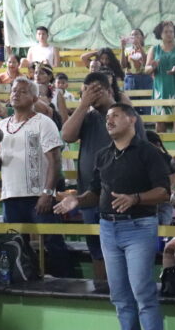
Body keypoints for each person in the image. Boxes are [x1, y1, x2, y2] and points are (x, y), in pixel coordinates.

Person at [55, 104, 169, 330]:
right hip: (108, 227)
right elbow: (95, 191)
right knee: (119, 293)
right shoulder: (103, 155)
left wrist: (136, 198)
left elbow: (164, 191)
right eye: (107, 118)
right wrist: (77, 200)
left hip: (139, 226)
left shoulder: (148, 152)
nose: (109, 120)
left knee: (142, 291)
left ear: (132, 119)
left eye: (115, 115)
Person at [61, 71, 147, 291]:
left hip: (121, 198)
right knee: (97, 252)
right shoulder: (87, 117)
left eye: (94, 92)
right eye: (85, 93)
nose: (90, 97)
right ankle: (104, 294)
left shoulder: (125, 117)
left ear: (108, 90)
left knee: (123, 252)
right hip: (90, 196)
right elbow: (67, 136)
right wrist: (83, 105)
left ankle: (126, 294)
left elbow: (140, 150)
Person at [0, 77, 73, 277]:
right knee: (16, 244)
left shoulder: (44, 123)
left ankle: (67, 281)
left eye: (23, 91)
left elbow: (55, 160)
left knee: (53, 241)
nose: (16, 94)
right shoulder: (1, 126)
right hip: (11, 195)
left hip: (39, 194)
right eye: (14, 90)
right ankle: (24, 280)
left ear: (34, 98)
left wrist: (47, 192)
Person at [145, 20, 175, 133]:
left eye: (171, 31)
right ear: (160, 34)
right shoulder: (154, 49)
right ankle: (159, 148)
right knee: (159, 119)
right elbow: (146, 69)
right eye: (166, 32)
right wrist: (153, 67)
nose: (169, 34)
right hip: (160, 87)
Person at [121, 29, 151, 105]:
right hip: (130, 79)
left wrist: (140, 47)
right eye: (132, 35)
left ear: (142, 37)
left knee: (146, 104)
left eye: (136, 34)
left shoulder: (149, 49)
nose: (134, 36)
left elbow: (147, 63)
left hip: (145, 79)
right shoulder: (128, 50)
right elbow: (123, 65)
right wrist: (123, 48)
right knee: (131, 105)